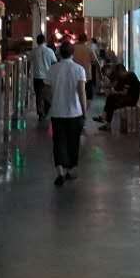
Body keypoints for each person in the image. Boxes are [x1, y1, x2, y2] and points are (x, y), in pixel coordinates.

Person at [47, 42, 89, 186]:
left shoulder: (53, 69)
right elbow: (82, 93)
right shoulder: (79, 69)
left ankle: (60, 172)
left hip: (57, 112)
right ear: (72, 53)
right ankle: (71, 170)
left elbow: (47, 91)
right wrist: (84, 111)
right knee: (73, 142)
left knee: (58, 142)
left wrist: (53, 101)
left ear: (59, 53)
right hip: (74, 113)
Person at [94, 62, 139, 130]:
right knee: (110, 98)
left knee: (112, 102)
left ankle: (108, 124)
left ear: (121, 71)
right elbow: (119, 88)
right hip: (128, 97)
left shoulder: (130, 76)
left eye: (119, 73)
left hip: (132, 99)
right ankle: (105, 119)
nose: (119, 76)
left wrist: (115, 92)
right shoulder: (125, 76)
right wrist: (113, 92)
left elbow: (124, 92)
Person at [31, 34, 56, 120]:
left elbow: (29, 59)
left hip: (37, 77)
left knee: (38, 95)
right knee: (47, 95)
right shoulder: (50, 51)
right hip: (47, 77)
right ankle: (46, 110)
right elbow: (54, 62)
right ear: (44, 41)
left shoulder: (34, 51)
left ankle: (40, 113)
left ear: (37, 41)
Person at [72, 35, 97, 101]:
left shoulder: (73, 48)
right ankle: (86, 106)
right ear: (86, 40)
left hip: (75, 74)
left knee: (76, 93)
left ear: (78, 39)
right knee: (88, 95)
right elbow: (94, 61)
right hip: (87, 74)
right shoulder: (89, 48)